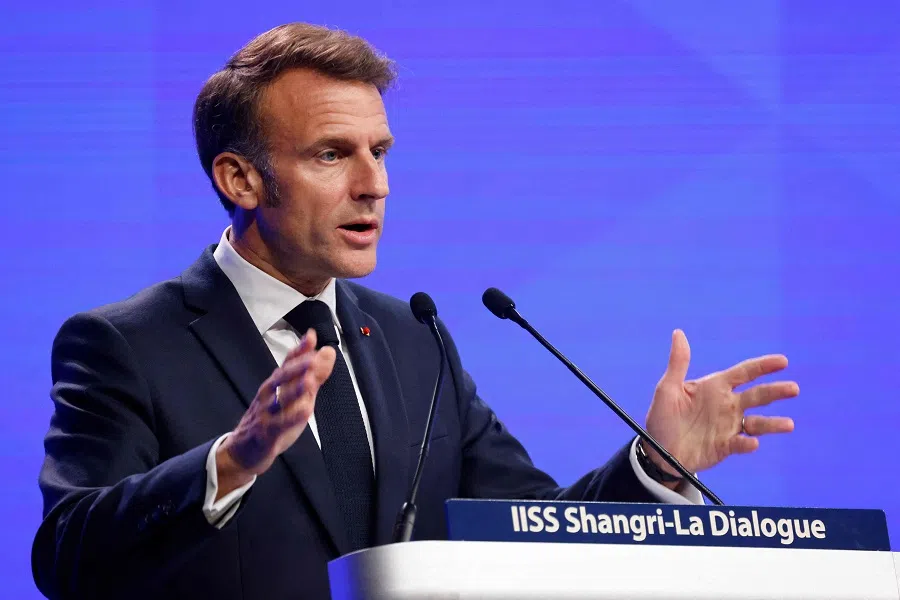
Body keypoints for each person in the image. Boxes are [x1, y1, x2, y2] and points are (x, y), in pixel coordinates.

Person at [31, 22, 799, 600]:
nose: (376, 184)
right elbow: (67, 557)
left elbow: (527, 527)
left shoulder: (412, 337)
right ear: (240, 179)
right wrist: (231, 461)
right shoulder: (126, 344)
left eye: (381, 151)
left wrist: (654, 468)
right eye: (333, 154)